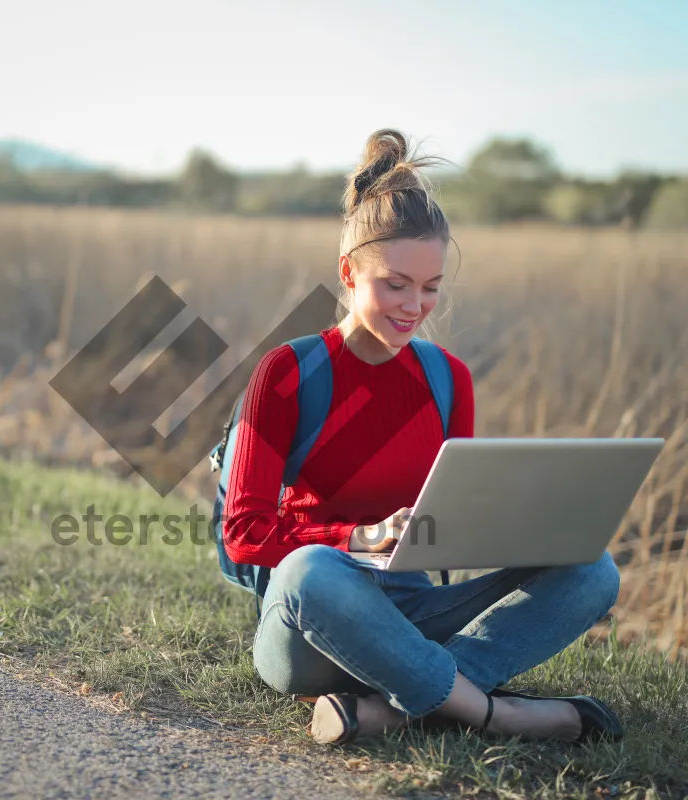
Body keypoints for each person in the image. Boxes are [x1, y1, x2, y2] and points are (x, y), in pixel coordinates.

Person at [221, 129, 624, 745]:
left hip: (413, 618)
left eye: (431, 286)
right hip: (312, 627)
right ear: (347, 273)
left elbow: (444, 528)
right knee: (312, 570)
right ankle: (493, 713)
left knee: (593, 569)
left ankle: (399, 706)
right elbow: (244, 533)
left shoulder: (448, 379)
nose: (415, 306)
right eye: (395, 284)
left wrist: (514, 524)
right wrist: (355, 538)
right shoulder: (288, 373)